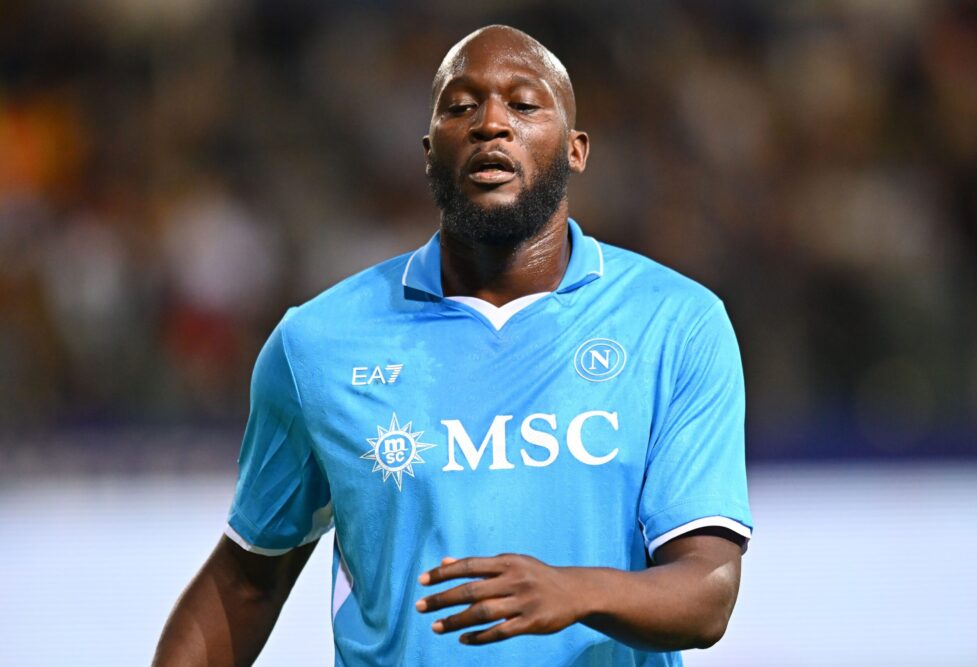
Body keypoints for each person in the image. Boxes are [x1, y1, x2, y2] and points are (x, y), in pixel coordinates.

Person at [154, 24, 753, 667]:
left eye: (523, 104)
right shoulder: (317, 345)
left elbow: (707, 594)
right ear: (428, 151)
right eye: (461, 106)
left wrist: (577, 591)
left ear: (575, 150)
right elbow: (245, 581)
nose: (490, 123)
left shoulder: (674, 324)